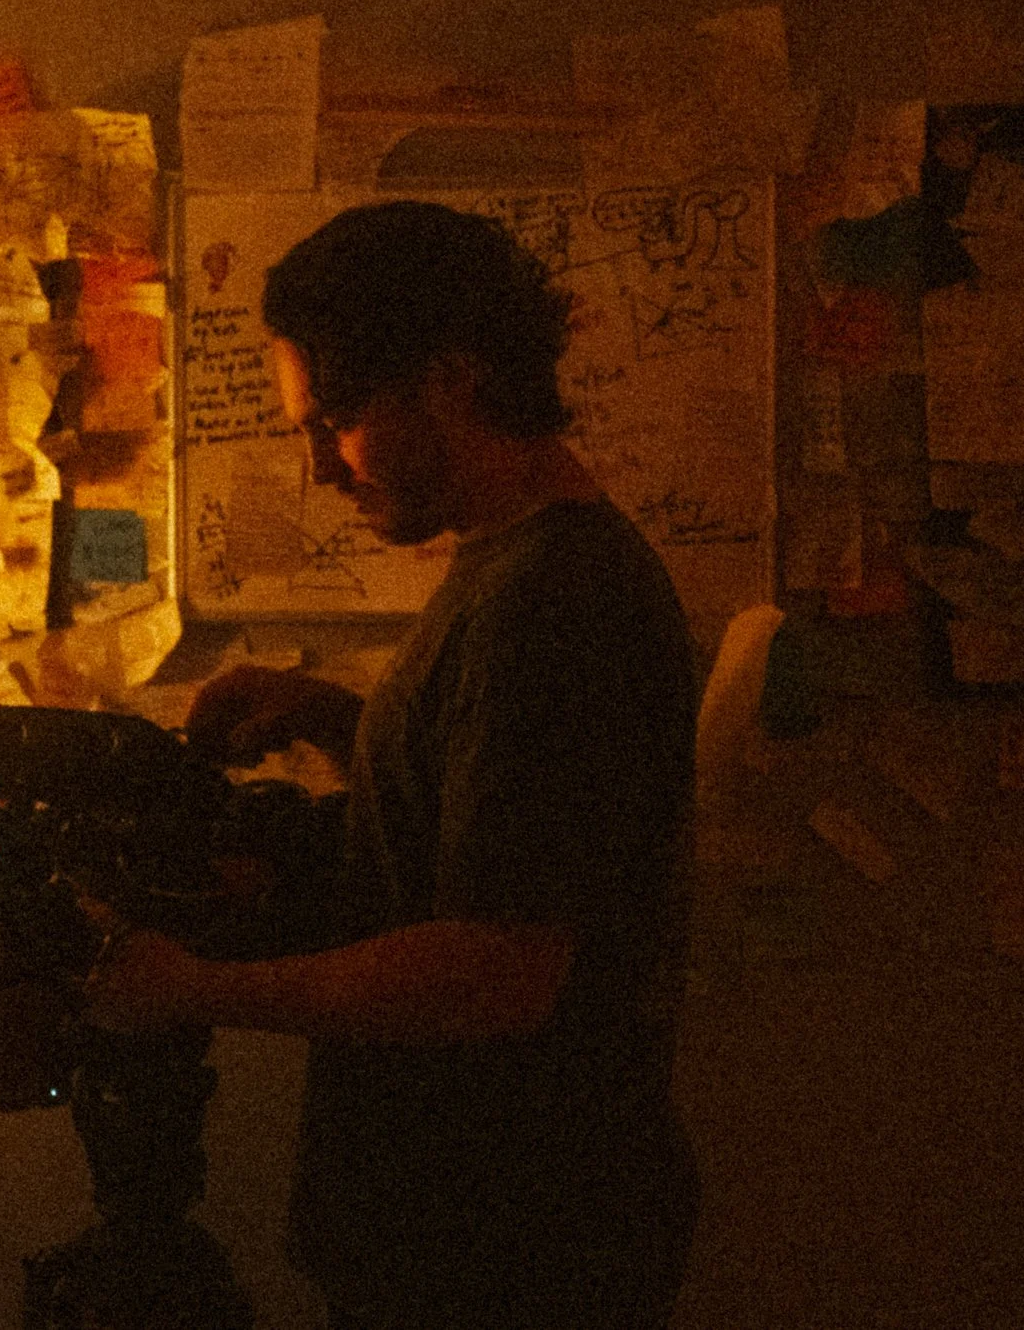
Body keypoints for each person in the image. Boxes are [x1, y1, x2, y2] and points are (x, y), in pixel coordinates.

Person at [81, 201, 700, 1329]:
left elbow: (497, 967)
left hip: (505, 1248)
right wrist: (332, 713)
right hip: (465, 1227)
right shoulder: (513, 566)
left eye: (340, 420)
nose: (320, 466)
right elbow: (491, 786)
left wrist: (196, 987)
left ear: (454, 380)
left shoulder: (555, 601)